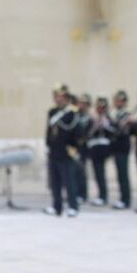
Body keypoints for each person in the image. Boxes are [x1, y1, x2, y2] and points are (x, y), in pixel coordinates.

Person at [44, 84, 80, 217]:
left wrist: (74, 148)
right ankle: (56, 206)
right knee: (55, 182)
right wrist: (48, 144)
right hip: (54, 150)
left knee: (69, 181)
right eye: (56, 96)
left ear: (65, 97)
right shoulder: (52, 112)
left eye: (60, 96)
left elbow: (75, 131)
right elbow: (48, 131)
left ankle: (73, 206)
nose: (57, 99)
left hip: (66, 151)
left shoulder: (71, 113)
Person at [85, 96, 113, 206]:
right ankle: (101, 195)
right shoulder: (92, 119)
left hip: (104, 148)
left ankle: (103, 195)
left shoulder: (109, 119)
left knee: (101, 173)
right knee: (97, 173)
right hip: (94, 148)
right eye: (99, 107)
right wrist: (95, 124)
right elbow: (88, 134)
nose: (101, 110)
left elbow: (114, 132)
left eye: (103, 107)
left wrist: (105, 124)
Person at [108, 90, 132, 209]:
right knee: (120, 174)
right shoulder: (114, 114)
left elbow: (122, 130)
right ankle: (122, 198)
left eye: (120, 101)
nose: (118, 103)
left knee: (123, 174)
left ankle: (125, 199)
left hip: (123, 147)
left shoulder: (126, 114)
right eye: (116, 100)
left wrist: (111, 125)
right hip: (116, 147)